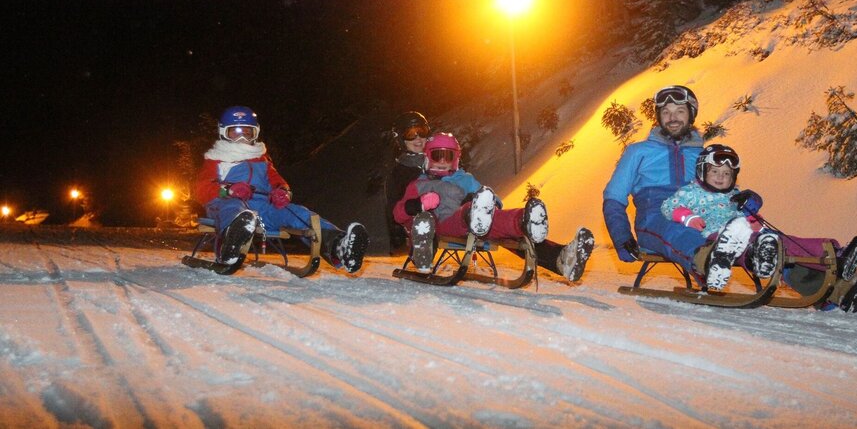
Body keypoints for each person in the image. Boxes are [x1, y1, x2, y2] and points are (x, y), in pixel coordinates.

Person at [661, 144, 857, 312]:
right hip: (722, 239)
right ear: (702, 172)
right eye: (715, 172)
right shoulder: (691, 192)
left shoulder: (735, 196)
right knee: (771, 248)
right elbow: (668, 206)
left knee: (789, 243)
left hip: (755, 237)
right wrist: (688, 217)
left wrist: (753, 217)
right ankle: (772, 256)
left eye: (727, 174)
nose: (721, 178)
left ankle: (845, 274)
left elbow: (754, 220)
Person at [602, 85, 751, 289]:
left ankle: (795, 271)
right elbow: (614, 197)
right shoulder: (638, 152)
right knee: (676, 230)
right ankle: (707, 264)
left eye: (679, 111)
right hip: (654, 218)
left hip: (701, 216)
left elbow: (723, 192)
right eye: (666, 112)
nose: (672, 117)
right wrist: (622, 236)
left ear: (691, 115)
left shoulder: (703, 156)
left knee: (740, 228)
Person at [394, 133, 594, 281]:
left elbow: (496, 201)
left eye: (449, 156)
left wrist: (481, 200)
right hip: (442, 225)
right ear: (428, 157)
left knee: (501, 220)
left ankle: (528, 222)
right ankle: (475, 214)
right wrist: (417, 205)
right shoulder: (418, 184)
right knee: (468, 215)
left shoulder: (465, 179)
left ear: (456, 159)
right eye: (438, 155)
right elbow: (398, 213)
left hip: (479, 226)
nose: (443, 162)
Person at [195, 106, 368, 273]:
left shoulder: (262, 159)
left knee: (296, 212)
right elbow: (201, 188)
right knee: (235, 210)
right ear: (224, 133)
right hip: (226, 204)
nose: (242, 138)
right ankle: (231, 244)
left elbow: (277, 181)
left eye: (247, 133)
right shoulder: (215, 159)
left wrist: (281, 191)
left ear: (255, 133)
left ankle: (338, 246)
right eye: (236, 132)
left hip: (262, 208)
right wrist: (228, 190)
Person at [384, 111, 430, 249]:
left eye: (422, 131)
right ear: (401, 139)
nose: (418, 138)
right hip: (416, 225)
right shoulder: (399, 173)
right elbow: (393, 210)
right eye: (411, 134)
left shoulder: (440, 159)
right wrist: (398, 239)